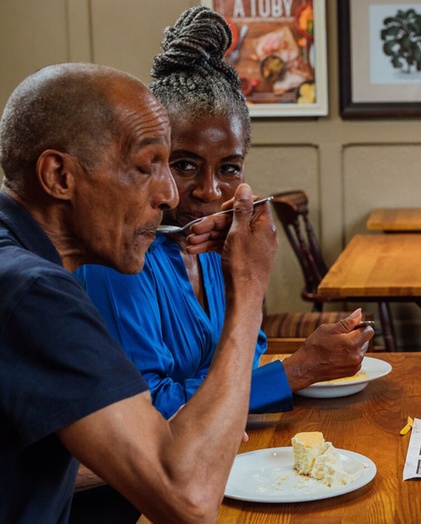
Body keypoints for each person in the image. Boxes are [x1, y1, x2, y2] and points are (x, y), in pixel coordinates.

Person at [0, 63, 276, 522]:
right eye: (147, 166)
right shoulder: (34, 292)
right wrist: (249, 287)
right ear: (59, 176)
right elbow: (189, 500)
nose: (169, 194)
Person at [75, 6, 373, 421]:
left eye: (229, 168)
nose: (210, 191)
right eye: (184, 164)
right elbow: (148, 412)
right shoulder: (119, 262)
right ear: (149, 161)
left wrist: (243, 279)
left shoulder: (217, 246)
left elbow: (248, 356)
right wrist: (298, 370)